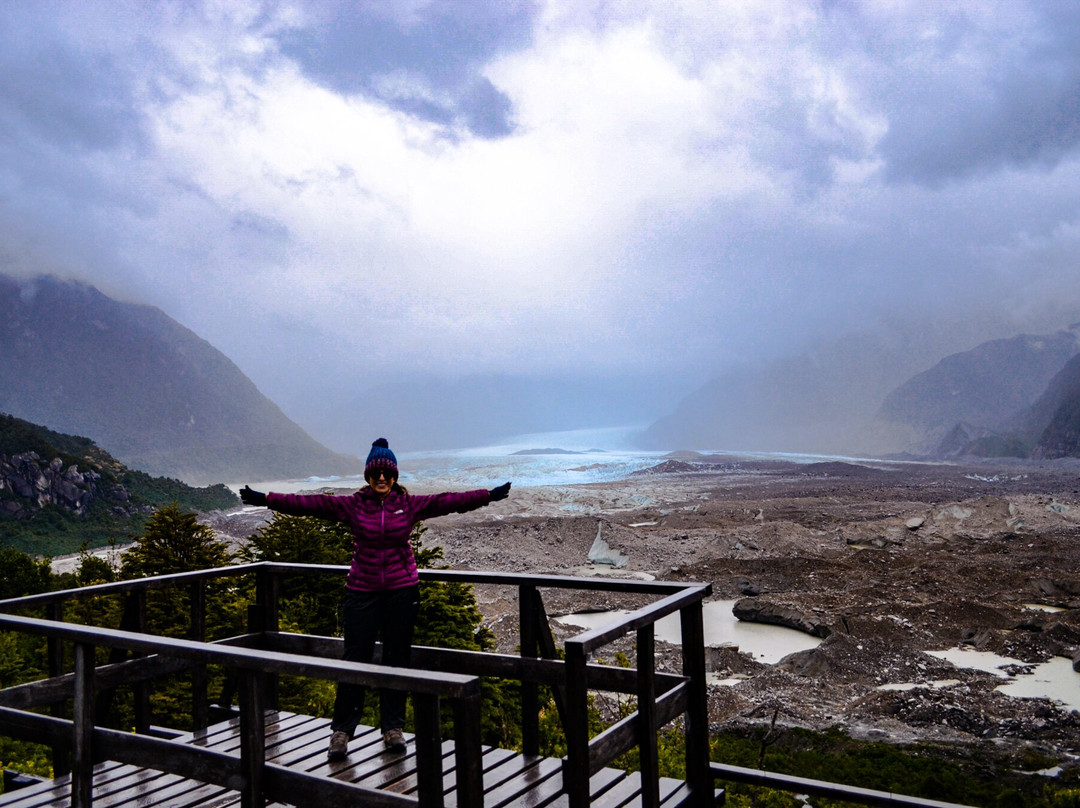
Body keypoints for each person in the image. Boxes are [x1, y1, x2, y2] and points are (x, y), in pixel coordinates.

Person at [240, 437, 511, 761]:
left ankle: (392, 729)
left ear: (394, 476)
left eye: (387, 473)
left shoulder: (408, 505)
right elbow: (309, 504)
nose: (381, 478)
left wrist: (487, 496)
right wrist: (265, 498)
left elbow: (448, 501)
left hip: (401, 590)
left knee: (397, 658)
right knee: (355, 657)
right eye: (375, 473)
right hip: (362, 591)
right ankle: (341, 732)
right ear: (368, 476)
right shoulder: (353, 505)